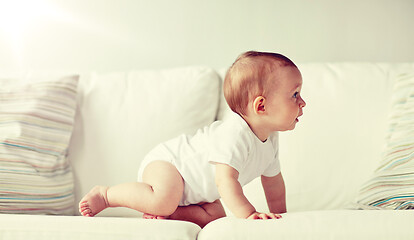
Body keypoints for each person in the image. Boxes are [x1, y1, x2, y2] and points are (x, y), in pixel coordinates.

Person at [79, 51, 306, 228]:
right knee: (164, 199)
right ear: (261, 106)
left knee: (215, 218)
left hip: (194, 193)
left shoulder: (270, 138)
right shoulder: (235, 133)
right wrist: (249, 214)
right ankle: (106, 195)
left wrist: (282, 218)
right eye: (295, 94)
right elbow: (226, 181)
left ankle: (168, 214)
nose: (302, 102)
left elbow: (273, 183)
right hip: (170, 165)